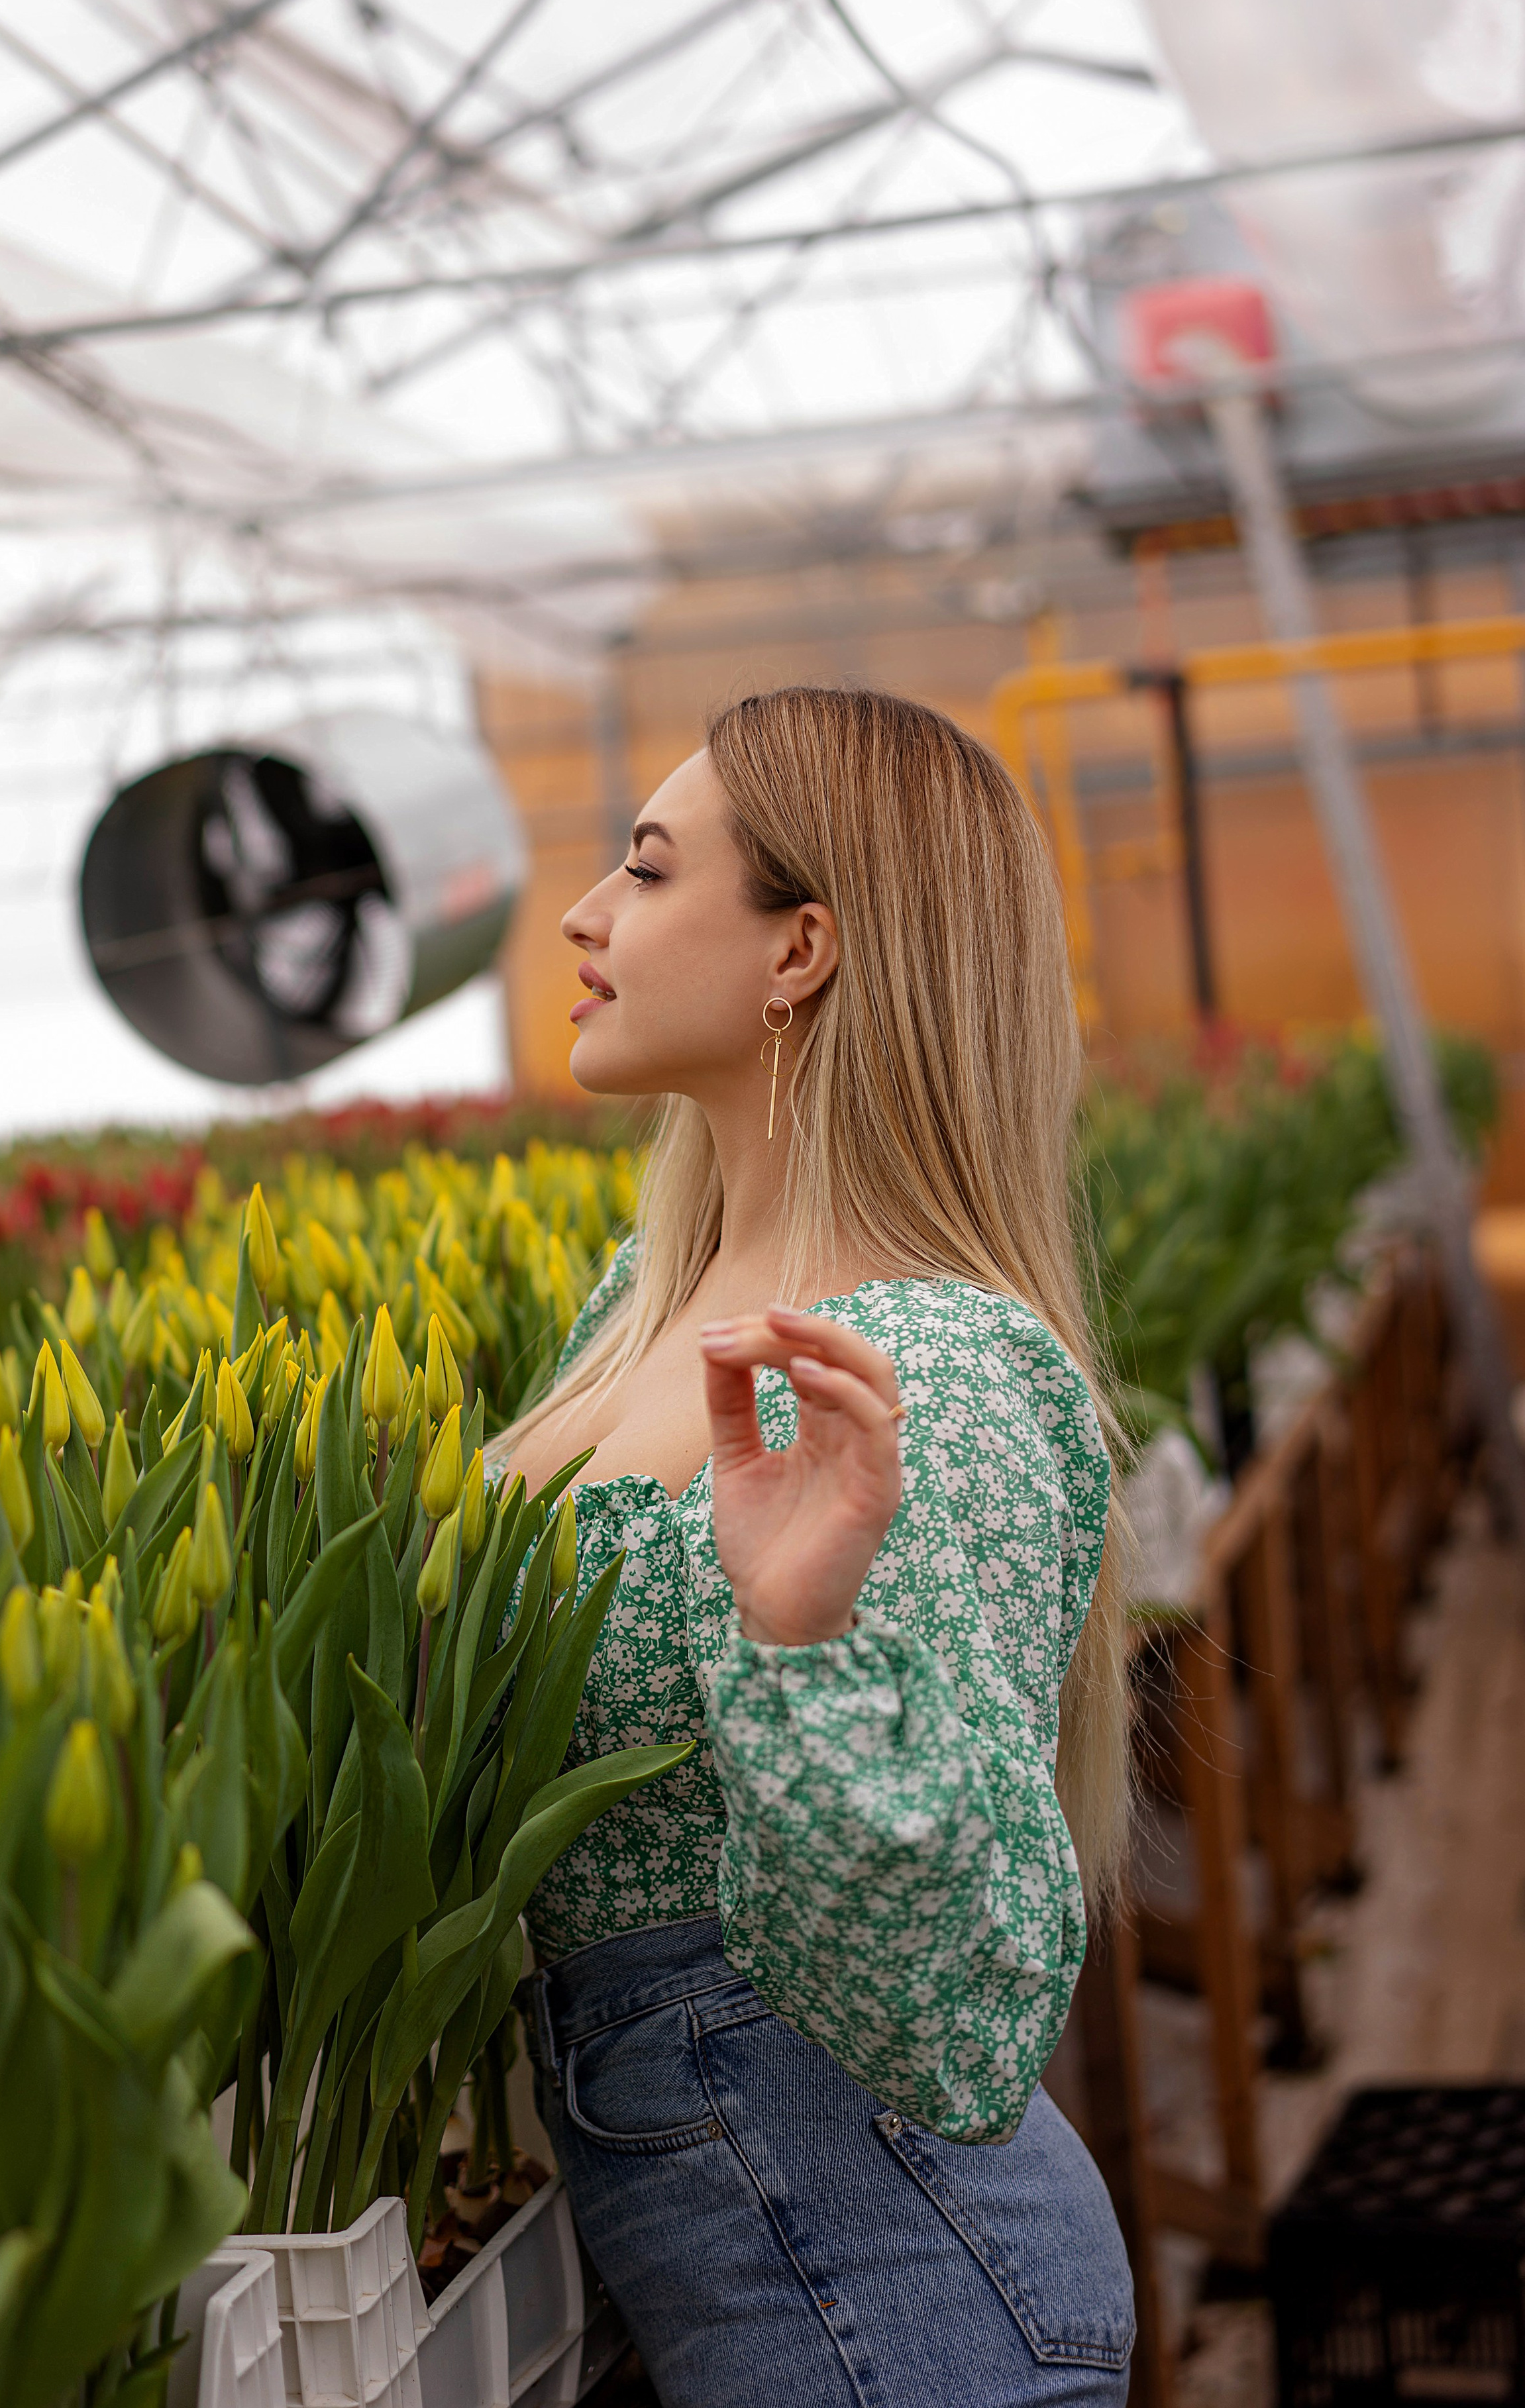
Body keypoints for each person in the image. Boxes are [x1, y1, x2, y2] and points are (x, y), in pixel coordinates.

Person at [492, 686, 1135, 2407]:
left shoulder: (937, 1374)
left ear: (803, 949)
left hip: (902, 2310)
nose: (583, 915)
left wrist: (804, 1646)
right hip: (753, 2281)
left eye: (646, 871)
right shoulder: (644, 1302)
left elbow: (963, 2018)